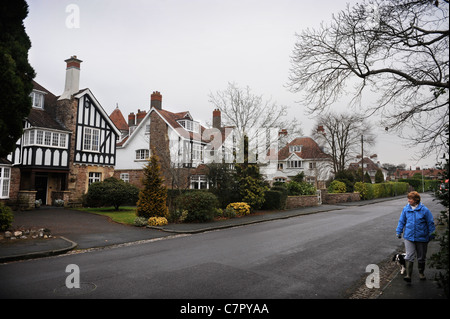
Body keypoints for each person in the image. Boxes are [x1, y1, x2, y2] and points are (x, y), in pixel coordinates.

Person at [396, 191, 436, 282]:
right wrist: (399, 231)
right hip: (409, 237)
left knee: (421, 257)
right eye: (408, 198)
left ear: (416, 200)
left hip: (422, 237)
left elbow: (430, 223)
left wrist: (431, 234)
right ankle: (408, 275)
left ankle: (421, 273)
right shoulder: (406, 209)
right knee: (409, 255)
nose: (408, 200)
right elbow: (401, 221)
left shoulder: (424, 210)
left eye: (410, 199)